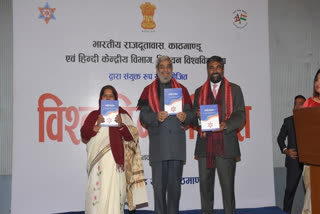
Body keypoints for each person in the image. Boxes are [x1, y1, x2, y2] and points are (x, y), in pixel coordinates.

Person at [137, 55, 193, 214]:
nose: (165, 70)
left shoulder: (182, 90)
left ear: (172, 70)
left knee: (175, 190)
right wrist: (156, 116)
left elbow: (192, 115)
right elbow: (143, 116)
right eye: (162, 66)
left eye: (168, 66)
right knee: (159, 190)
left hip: (176, 147)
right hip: (159, 147)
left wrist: (186, 116)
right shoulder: (148, 90)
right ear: (157, 70)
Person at [81, 85, 147, 214]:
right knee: (97, 196)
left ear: (115, 99)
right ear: (100, 98)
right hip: (97, 164)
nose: (108, 98)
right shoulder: (94, 115)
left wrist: (121, 125)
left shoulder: (122, 115)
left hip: (116, 164)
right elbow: (84, 134)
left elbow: (132, 137)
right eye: (105, 95)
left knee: (115, 198)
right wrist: (97, 125)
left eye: (111, 95)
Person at [192, 56, 246, 214]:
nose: (215, 70)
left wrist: (226, 124)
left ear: (222, 69)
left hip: (226, 145)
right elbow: (194, 122)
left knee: (228, 189)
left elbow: (241, 115)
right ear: (207, 70)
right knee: (205, 188)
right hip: (205, 146)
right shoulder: (199, 92)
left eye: (218, 67)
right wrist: (197, 117)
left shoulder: (235, 89)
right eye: (211, 67)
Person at [277, 95, 306, 214]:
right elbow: (280, 138)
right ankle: (286, 212)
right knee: (290, 190)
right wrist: (286, 150)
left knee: (313, 191)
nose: (298, 105)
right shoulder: (288, 121)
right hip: (294, 161)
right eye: (296, 103)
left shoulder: (312, 120)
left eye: (301, 103)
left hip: (310, 162)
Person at [301, 69, 320, 214]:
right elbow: (301, 129)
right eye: (316, 79)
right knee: (313, 196)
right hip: (313, 159)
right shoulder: (309, 102)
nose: (318, 83)